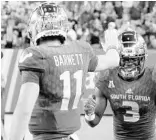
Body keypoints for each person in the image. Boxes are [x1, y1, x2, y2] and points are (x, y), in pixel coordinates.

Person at [9, 2, 120, 140]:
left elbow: (24, 111)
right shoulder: (81, 50)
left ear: (36, 28)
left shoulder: (36, 56)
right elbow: (113, 60)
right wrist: (112, 46)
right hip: (71, 137)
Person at [84, 30, 156, 140]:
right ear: (117, 59)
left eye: (133, 59)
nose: (129, 64)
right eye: (125, 60)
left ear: (143, 58)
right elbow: (94, 121)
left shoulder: (153, 77)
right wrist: (89, 114)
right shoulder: (107, 77)